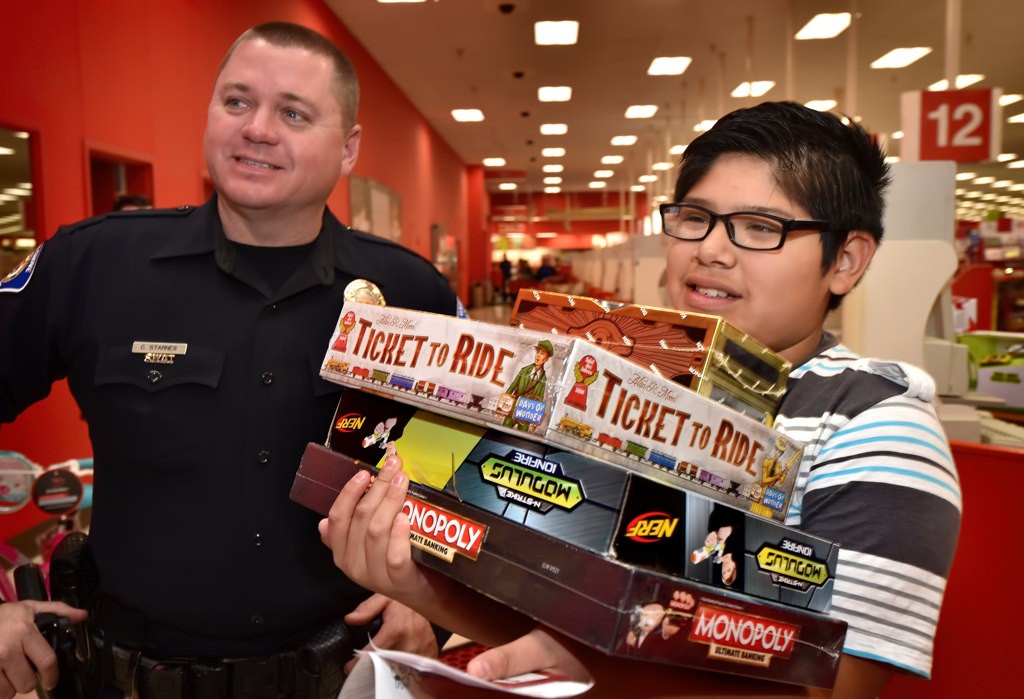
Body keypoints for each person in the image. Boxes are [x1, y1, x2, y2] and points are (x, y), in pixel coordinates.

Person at [319, 102, 962, 697]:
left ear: (845, 259)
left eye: (760, 227)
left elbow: (833, 685)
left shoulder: (876, 421)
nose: (710, 249)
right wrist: (416, 584)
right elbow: (539, 623)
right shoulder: (609, 384)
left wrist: (608, 667)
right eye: (695, 218)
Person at [0, 21, 458, 699]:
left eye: (293, 112)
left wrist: (435, 600)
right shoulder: (90, 265)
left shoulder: (412, 293)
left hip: (347, 682)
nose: (258, 129)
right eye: (237, 102)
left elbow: (485, 472)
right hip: (126, 679)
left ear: (349, 147)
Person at [500, 339, 553, 430]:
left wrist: (536, 420)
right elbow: (512, 387)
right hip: (513, 410)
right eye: (537, 352)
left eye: (542, 353)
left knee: (522, 436)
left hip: (526, 415)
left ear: (547, 359)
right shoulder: (524, 370)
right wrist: (501, 409)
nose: (538, 356)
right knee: (503, 429)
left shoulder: (543, 378)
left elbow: (539, 399)